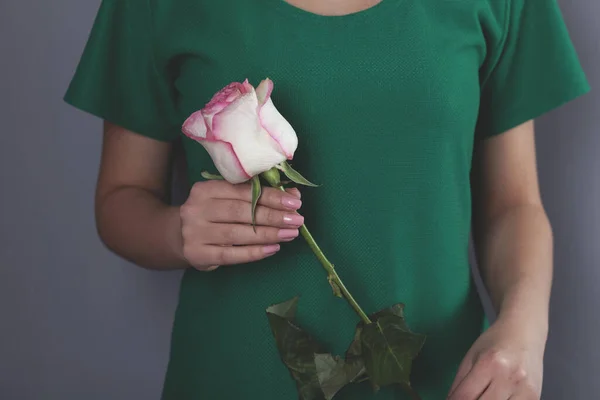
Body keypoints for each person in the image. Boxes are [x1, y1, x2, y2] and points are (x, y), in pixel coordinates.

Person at [64, 0, 590, 399]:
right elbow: (120, 200)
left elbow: (514, 206)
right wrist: (178, 232)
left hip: (445, 380)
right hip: (232, 377)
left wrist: (523, 329)